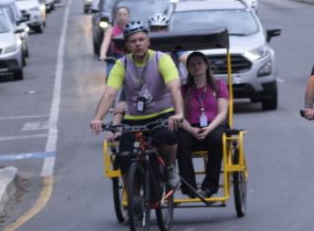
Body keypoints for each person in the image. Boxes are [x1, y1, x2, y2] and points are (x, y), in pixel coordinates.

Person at [90, 21, 185, 191]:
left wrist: (178, 113)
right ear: (127, 45)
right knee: (123, 155)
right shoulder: (122, 64)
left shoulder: (162, 59)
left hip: (162, 114)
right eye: (133, 41)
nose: (138, 44)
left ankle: (170, 167)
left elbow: (174, 87)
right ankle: (132, 194)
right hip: (134, 118)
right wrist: (97, 118)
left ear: (148, 41)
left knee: (168, 137)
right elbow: (110, 93)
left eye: (141, 40)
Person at [177, 52, 229, 198]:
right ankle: (189, 187)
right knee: (180, 141)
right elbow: (179, 116)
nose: (196, 66)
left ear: (206, 65)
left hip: (214, 125)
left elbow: (222, 113)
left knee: (216, 140)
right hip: (190, 127)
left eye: (200, 63)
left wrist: (209, 129)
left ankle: (209, 187)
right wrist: (192, 130)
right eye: (192, 64)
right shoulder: (183, 89)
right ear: (188, 68)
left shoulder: (218, 85)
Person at [99, 6, 130, 78]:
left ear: (128, 16)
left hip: (130, 58)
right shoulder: (111, 30)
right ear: (116, 16)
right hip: (115, 58)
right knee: (110, 75)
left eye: (124, 14)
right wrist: (103, 54)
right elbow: (105, 43)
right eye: (120, 14)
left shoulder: (132, 29)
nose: (122, 17)